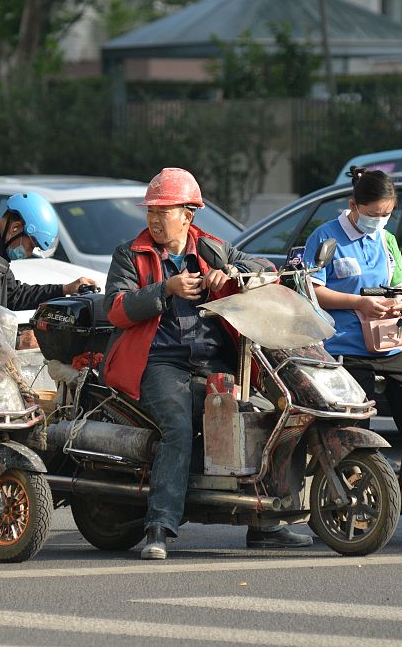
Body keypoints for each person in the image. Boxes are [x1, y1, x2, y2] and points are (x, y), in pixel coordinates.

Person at [103, 167, 313, 560]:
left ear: (188, 214)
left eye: (161, 211)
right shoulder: (129, 255)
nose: (153, 219)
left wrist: (231, 273)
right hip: (159, 364)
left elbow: (265, 269)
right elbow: (115, 309)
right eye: (150, 211)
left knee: (275, 416)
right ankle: (159, 527)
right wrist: (165, 289)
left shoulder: (212, 247)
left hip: (215, 361)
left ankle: (266, 522)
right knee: (178, 429)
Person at [302, 167, 402, 540]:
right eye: (373, 213)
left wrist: (396, 302)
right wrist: (359, 303)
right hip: (344, 347)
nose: (379, 221)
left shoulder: (388, 241)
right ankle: (345, 508)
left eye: (385, 214)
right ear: (353, 206)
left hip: (388, 344)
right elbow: (313, 290)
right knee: (352, 429)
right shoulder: (325, 236)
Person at [0, 191, 100, 311]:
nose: (29, 253)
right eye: (32, 244)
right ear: (15, 228)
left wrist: (65, 289)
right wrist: (18, 339)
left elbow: (14, 295)